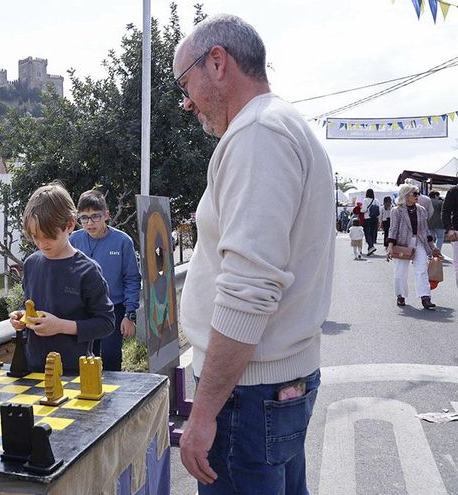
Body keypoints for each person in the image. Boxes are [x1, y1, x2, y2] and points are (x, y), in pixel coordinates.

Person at [173, 14, 333, 494]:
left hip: (247, 394)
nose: (186, 102)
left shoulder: (257, 135)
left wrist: (203, 413)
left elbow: (248, 290)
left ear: (217, 62)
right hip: (270, 387)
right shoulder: (282, 126)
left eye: (186, 83)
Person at [8, 183, 115, 372]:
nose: (41, 244)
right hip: (33, 369)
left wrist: (60, 326)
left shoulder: (87, 270)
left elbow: (106, 323)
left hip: (74, 372)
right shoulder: (31, 264)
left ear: (69, 225)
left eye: (49, 236)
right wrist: (22, 317)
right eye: (34, 237)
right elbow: (30, 305)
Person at [69, 189, 142, 371]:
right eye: (84, 218)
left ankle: (112, 398)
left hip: (114, 309)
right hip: (83, 310)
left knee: (111, 359)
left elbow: (132, 279)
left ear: (106, 215)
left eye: (95, 216)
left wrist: (129, 315)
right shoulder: (73, 240)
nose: (89, 223)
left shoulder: (122, 241)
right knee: (84, 361)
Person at [387, 184, 440, 309]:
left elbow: (426, 230)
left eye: (418, 194)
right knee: (400, 271)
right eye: (414, 194)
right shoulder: (396, 210)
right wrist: (390, 246)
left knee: (421, 269)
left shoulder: (421, 209)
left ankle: (425, 297)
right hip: (402, 243)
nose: (417, 196)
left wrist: (432, 247)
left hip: (419, 241)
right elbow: (393, 229)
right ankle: (400, 295)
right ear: (406, 195)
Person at [360, 188, 379, 256]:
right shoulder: (376, 200)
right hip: (375, 218)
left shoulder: (365, 200)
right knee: (372, 233)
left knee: (367, 233)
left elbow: (363, 210)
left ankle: (371, 246)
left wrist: (360, 210)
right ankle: (370, 249)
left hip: (367, 218)